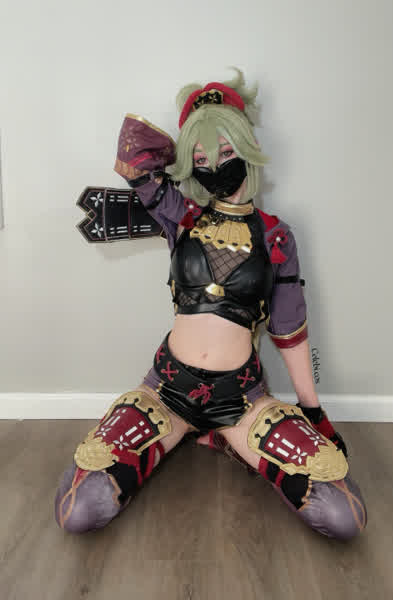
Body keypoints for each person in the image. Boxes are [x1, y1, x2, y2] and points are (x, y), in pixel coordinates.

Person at [55, 69, 367, 539]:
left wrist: (313, 411)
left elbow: (289, 327)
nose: (215, 167)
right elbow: (133, 150)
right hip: (166, 391)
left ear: (248, 149)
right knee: (78, 510)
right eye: (201, 159)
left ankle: (218, 437)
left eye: (226, 152)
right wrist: (186, 149)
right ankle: (183, 435)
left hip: (241, 402)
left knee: (344, 516)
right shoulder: (180, 215)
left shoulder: (276, 235)